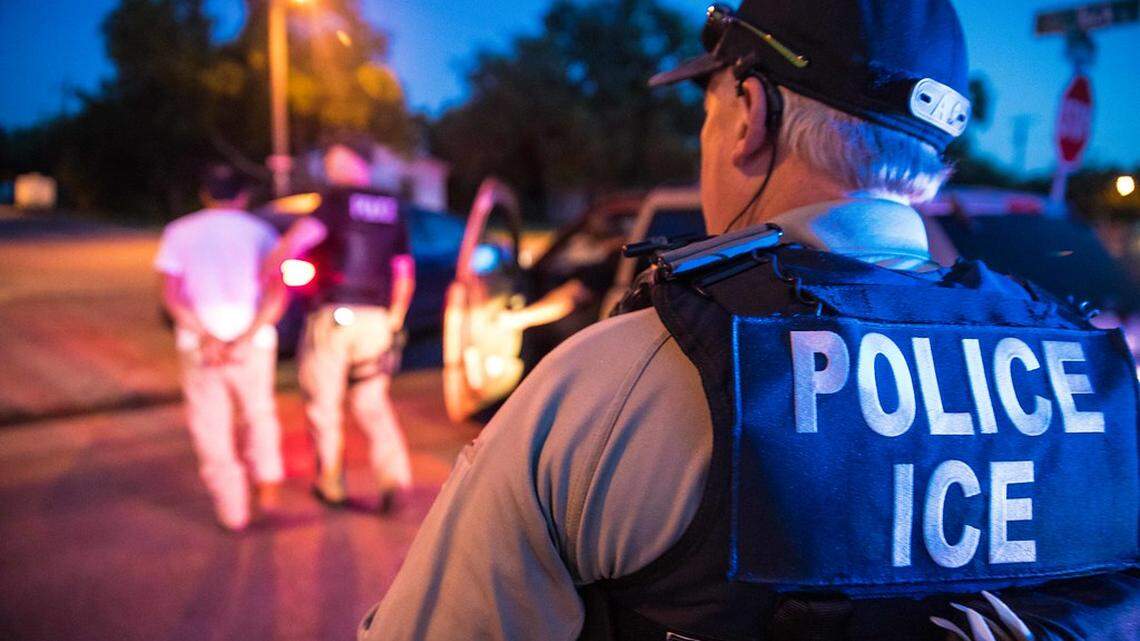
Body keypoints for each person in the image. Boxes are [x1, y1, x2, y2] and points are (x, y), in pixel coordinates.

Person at [360, 2, 1139, 640]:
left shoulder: (617, 383)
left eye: (708, 107)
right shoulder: (1097, 381)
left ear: (750, 115)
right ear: (933, 157)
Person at [269, 142, 416, 511]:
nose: (328, 169)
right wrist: (394, 321)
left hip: (333, 318)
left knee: (325, 404)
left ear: (354, 163)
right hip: (377, 321)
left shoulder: (336, 202)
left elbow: (298, 240)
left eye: (333, 162)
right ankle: (392, 477)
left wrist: (271, 266)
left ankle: (331, 483)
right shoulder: (392, 207)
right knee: (372, 402)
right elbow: (403, 273)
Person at [156, 164, 287, 532]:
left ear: (205, 194)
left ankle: (234, 510)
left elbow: (172, 294)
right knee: (259, 412)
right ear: (242, 196)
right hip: (254, 340)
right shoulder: (262, 233)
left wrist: (207, 336)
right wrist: (245, 337)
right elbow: (278, 292)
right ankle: (269, 486)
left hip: (200, 344)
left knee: (210, 423)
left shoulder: (179, 232)